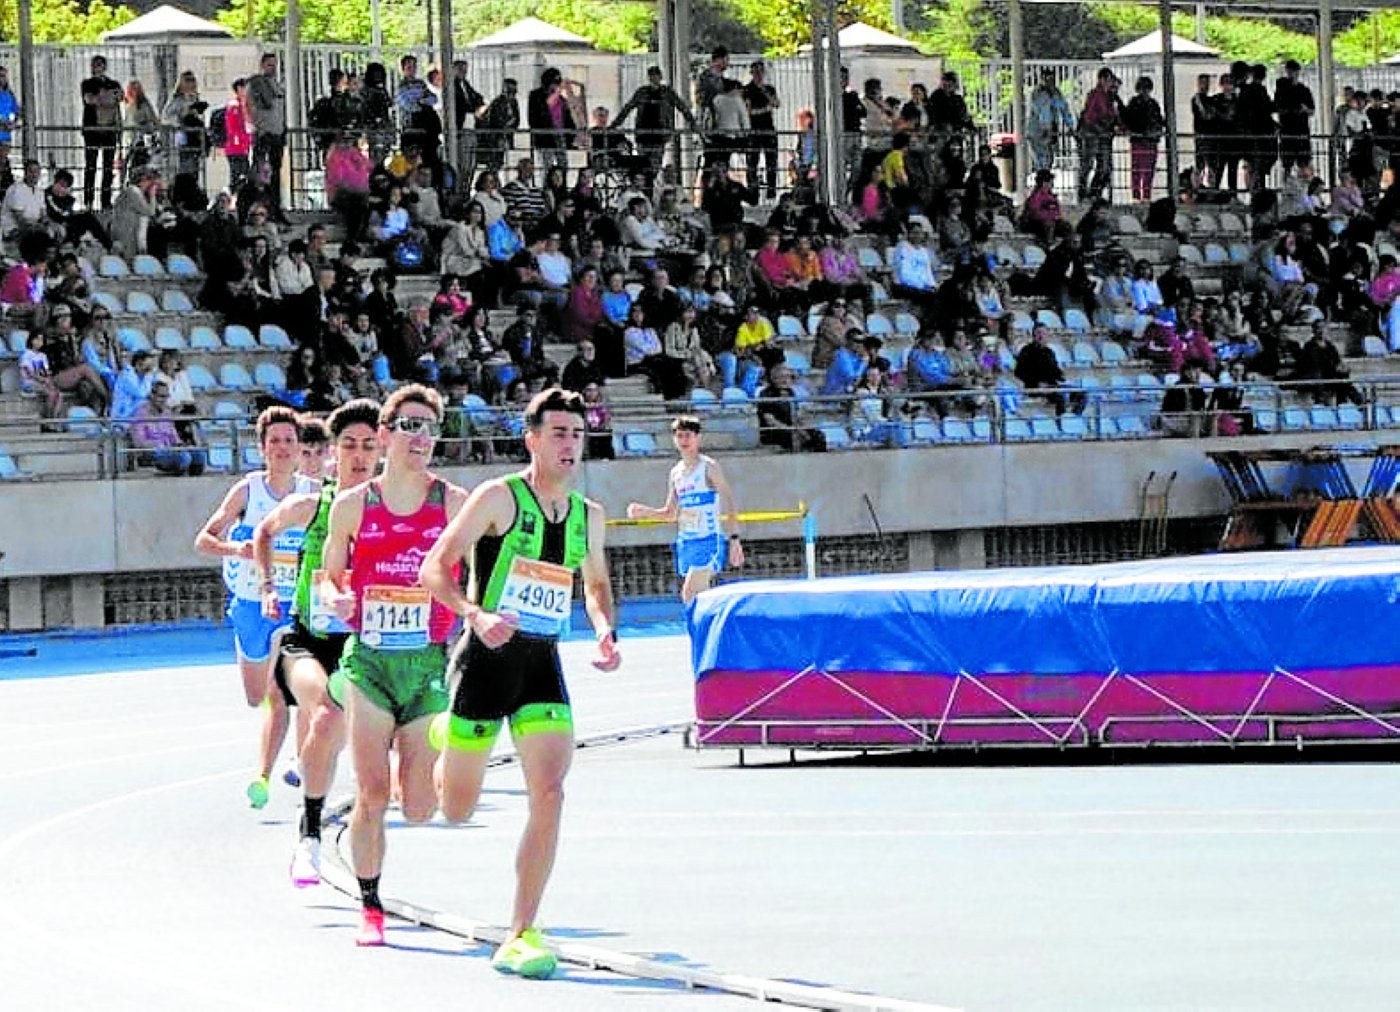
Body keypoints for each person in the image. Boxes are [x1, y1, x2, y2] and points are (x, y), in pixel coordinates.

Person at [422, 385, 621, 979]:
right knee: (455, 810)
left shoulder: (588, 516)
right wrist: (476, 614)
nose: (569, 445)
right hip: (483, 660)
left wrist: (604, 628)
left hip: (540, 663)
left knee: (552, 791)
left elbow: (596, 585)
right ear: (531, 439)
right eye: (558, 433)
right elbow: (436, 566)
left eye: (577, 435)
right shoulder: (498, 498)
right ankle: (444, 738)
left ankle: (521, 930)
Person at [319, 385, 469, 947]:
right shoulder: (353, 505)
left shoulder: (453, 504)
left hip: (427, 661)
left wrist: (471, 610)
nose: (420, 438)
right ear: (384, 436)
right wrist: (336, 596)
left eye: (429, 428)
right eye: (409, 426)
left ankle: (441, 751)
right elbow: (331, 575)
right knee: (372, 792)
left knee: (424, 809)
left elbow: (479, 568)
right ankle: (371, 906)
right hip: (370, 666)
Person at [252, 398, 382, 889]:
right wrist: (269, 588)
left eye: (369, 446)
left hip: (365, 643)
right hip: (306, 640)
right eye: (348, 445)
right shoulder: (312, 505)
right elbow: (264, 533)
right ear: (332, 453)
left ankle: (335, 799)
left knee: (344, 732)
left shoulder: (390, 509)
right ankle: (308, 838)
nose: (359, 455)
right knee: (326, 714)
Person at [194, 407, 316, 808]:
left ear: (300, 448)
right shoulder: (248, 492)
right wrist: (236, 548)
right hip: (249, 605)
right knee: (256, 696)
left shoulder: (313, 493)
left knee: (292, 691)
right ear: (262, 448)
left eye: (289, 441)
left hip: (292, 606)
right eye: (274, 441)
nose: (282, 448)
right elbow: (203, 540)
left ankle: (299, 767)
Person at [627, 415, 743, 604]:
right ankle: (707, 632)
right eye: (679, 436)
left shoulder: (708, 467)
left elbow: (728, 501)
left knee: (689, 594)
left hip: (708, 540)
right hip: (687, 542)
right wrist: (644, 511)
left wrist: (734, 539)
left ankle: (699, 632)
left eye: (688, 436)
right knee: (701, 598)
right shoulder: (676, 473)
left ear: (697, 438)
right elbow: (670, 513)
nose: (684, 441)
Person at [611, 66, 695, 175]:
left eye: (656, 75)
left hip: (659, 135)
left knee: (655, 166)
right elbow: (627, 108)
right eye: (652, 76)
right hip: (643, 135)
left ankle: (651, 186)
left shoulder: (667, 92)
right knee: (643, 164)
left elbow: (682, 107)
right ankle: (647, 186)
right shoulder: (642, 92)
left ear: (660, 77)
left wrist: (692, 122)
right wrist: (614, 125)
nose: (654, 78)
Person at [81, 56, 123, 211]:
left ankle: (106, 201)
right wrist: (107, 97)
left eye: (100, 65)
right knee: (90, 166)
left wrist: (104, 96)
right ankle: (88, 201)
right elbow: (90, 100)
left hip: (109, 131)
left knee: (107, 167)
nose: (97, 68)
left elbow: (120, 97)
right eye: (95, 65)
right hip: (92, 130)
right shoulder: (87, 84)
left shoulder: (113, 83)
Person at [248, 53, 287, 220]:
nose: (273, 68)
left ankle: (275, 207)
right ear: (262, 65)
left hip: (277, 132)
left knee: (276, 174)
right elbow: (264, 103)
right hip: (265, 133)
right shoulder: (258, 83)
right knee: (261, 174)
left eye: (275, 64)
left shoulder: (276, 84)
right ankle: (261, 207)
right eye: (270, 64)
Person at [1123, 76, 1165, 203]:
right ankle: (1137, 196)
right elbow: (1129, 120)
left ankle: (1145, 195)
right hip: (1140, 140)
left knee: (1147, 170)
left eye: (1146, 88)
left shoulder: (1153, 104)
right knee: (1138, 169)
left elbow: (1159, 120)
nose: (1144, 91)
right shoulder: (1136, 103)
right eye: (1142, 88)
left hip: (1149, 141)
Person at [743, 62, 780, 201]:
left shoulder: (769, 89)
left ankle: (771, 191)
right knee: (752, 162)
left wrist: (764, 92)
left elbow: (776, 103)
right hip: (753, 130)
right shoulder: (747, 90)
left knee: (772, 161)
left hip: (768, 129)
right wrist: (765, 109)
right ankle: (752, 192)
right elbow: (748, 111)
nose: (758, 75)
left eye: (761, 72)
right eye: (755, 72)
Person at [1027, 71, 1073, 175]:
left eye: (1051, 79)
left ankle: (1044, 186)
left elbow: (1064, 109)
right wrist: (1046, 129)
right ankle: (1042, 186)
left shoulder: (1056, 93)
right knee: (1042, 162)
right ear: (1042, 79)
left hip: (1049, 132)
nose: (1049, 82)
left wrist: (1070, 125)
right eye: (1046, 79)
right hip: (1038, 133)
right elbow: (1044, 111)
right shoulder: (1038, 93)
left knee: (1048, 161)